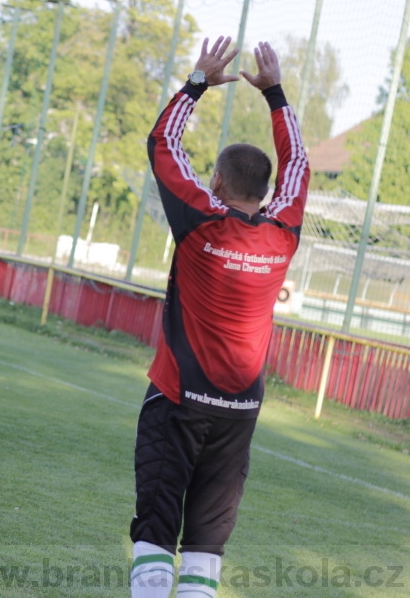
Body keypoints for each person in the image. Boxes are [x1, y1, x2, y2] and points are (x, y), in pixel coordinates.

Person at [128, 38, 308, 598]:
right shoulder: (283, 236)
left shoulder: (201, 221)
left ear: (220, 184)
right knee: (206, 545)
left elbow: (161, 141)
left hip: (178, 398)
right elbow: (298, 163)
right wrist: (275, 94)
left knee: (156, 532)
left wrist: (197, 82)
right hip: (239, 411)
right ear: (266, 190)